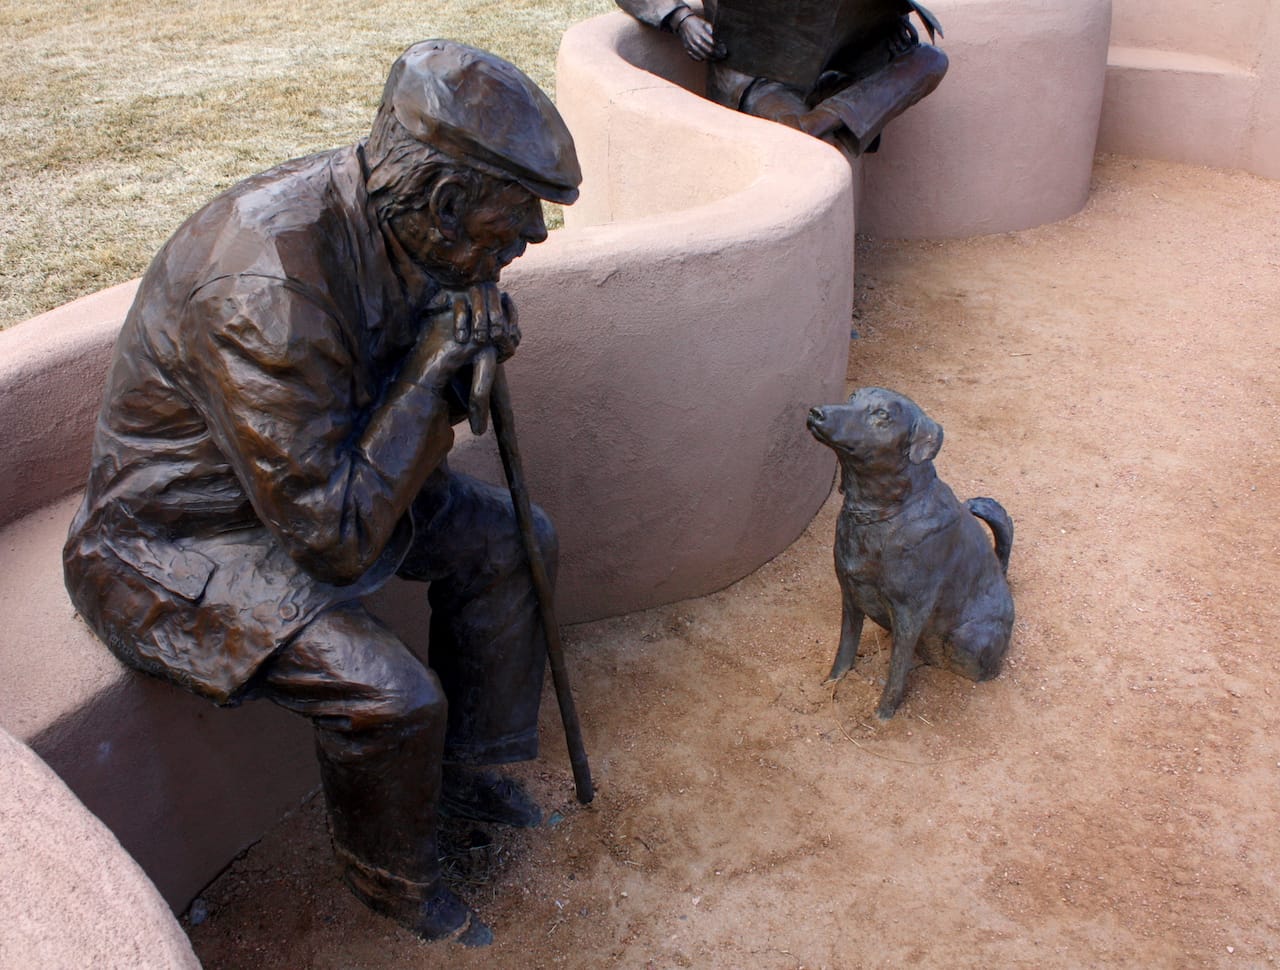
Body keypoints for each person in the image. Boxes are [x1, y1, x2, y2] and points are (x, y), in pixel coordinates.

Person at [62, 39, 581, 947]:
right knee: (392, 698)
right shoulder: (266, 286)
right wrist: (437, 370)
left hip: (330, 481)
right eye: (514, 220)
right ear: (445, 203)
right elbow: (333, 539)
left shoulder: (400, 221)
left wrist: (471, 328)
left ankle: (461, 777)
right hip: (185, 540)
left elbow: (389, 416)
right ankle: (396, 880)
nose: (531, 238)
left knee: (515, 541)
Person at [615, 0, 947, 158]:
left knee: (931, 60)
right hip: (754, 78)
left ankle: (824, 118)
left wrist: (889, 30)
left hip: (831, 70)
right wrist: (680, 19)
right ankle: (831, 122)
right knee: (815, 151)